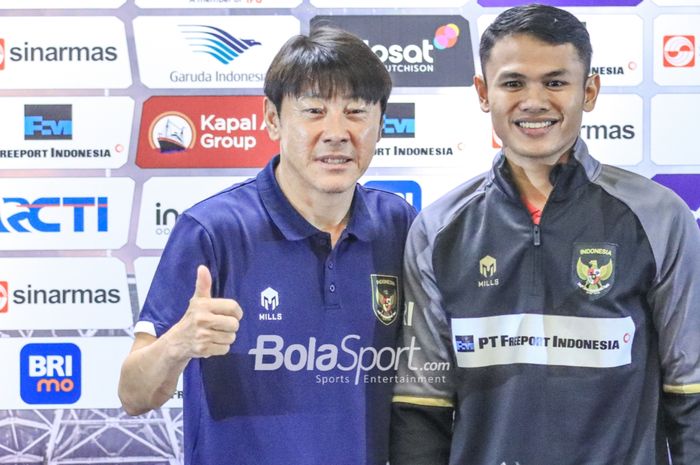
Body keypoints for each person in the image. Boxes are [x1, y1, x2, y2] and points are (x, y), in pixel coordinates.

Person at [389, 4, 700, 465]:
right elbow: (423, 405)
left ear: (589, 90)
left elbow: (690, 391)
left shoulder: (660, 216)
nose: (534, 101)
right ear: (482, 92)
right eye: (513, 83)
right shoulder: (437, 227)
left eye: (555, 82)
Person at [118, 26, 416, 465]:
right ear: (273, 118)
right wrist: (179, 342)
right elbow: (133, 395)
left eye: (356, 112)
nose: (336, 132)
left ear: (380, 122)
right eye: (314, 111)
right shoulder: (212, 229)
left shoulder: (400, 224)